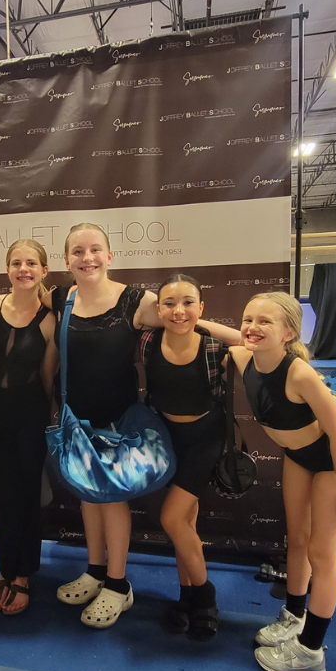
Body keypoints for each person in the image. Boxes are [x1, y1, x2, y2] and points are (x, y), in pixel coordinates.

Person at [48, 224, 239, 630]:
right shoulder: (60, 299)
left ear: (110, 255)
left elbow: (186, 320)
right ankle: (95, 571)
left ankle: (118, 584)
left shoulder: (134, 299)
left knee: (112, 497)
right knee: (88, 496)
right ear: (67, 261)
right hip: (77, 418)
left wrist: (247, 339)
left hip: (118, 416)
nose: (87, 258)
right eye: (78, 251)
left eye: (95, 249)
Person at [230, 292, 336, 671]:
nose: (253, 327)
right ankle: (294, 616)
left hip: (331, 466)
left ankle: (310, 651)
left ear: (289, 332)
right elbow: (223, 333)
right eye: (248, 318)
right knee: (297, 540)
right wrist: (185, 318)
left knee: (323, 553)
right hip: (298, 459)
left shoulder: (300, 373)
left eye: (265, 321)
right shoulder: (244, 357)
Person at [141, 275, 230, 639]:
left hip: (205, 439)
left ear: (202, 308)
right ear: (157, 308)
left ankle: (206, 598)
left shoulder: (213, 347)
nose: (179, 311)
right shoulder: (147, 341)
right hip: (167, 438)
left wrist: (197, 323)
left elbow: (248, 341)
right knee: (185, 525)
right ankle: (187, 597)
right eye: (170, 303)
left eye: (189, 303)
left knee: (172, 518)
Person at [0, 239, 56, 616]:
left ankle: (23, 575)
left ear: (43, 271)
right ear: (7, 269)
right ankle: (6, 569)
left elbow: (47, 376)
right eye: (16, 262)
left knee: (27, 495)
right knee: (6, 496)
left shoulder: (51, 318)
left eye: (31, 263)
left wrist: (48, 419)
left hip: (30, 414)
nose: (24, 269)